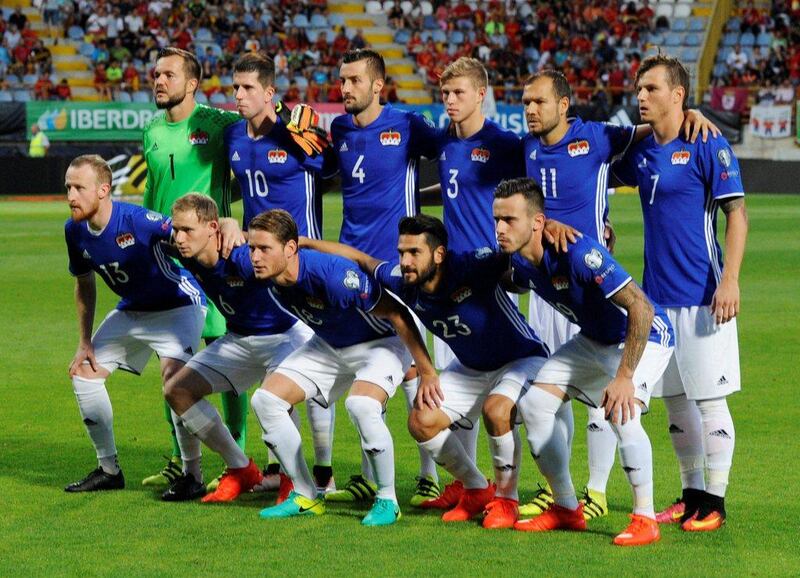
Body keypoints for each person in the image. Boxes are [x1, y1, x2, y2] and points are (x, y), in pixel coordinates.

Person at [519, 69, 719, 520]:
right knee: (547, 392)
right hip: (550, 284)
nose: (530, 109)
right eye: (525, 101)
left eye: (538, 101)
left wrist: (690, 113)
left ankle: (599, 491)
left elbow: (656, 127)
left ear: (564, 104)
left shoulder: (598, 138)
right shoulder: (525, 148)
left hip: (595, 280)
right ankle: (560, 494)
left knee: (608, 402)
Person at [301, 214, 549, 529]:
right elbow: (362, 260)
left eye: (414, 252)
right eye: (401, 252)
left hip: (522, 358)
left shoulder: (471, 265)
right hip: (472, 368)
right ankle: (476, 488)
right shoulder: (403, 279)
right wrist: (307, 243)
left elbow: (515, 256)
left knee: (496, 410)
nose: (404, 261)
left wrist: (547, 232)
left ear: (439, 254)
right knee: (421, 421)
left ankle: (506, 500)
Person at [493, 177, 674, 546]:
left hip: (644, 336)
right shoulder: (519, 260)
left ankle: (644, 517)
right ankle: (565, 507)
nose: (499, 228)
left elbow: (641, 307)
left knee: (620, 412)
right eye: (497, 219)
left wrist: (625, 376)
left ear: (537, 223)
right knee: (534, 405)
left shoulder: (578, 252)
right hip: (593, 340)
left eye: (509, 220)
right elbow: (507, 276)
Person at [611, 54, 748, 532]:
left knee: (709, 401)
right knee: (675, 404)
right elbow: (592, 173)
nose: (640, 96)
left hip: (704, 295)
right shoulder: (641, 154)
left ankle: (716, 501)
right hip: (657, 302)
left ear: (678, 94)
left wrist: (729, 280)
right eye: (638, 89)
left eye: (650, 88)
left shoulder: (708, 143)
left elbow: (737, 215)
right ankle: (691, 495)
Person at [248, 209, 438, 526]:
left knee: (362, 404)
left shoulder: (334, 277)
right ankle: (306, 494)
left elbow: (397, 315)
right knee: (266, 400)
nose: (255, 256)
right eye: (252, 248)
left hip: (381, 342)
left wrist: (427, 370)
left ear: (290, 249)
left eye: (263, 248)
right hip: (329, 343)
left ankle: (387, 500)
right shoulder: (266, 269)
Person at [327, 48, 443, 505]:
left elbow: (451, 148)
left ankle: (430, 470)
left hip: (401, 264)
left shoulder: (408, 125)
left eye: (354, 80)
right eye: (342, 80)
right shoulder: (338, 130)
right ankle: (365, 471)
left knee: (414, 364)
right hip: (352, 264)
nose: (345, 88)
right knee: (363, 361)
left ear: (378, 86)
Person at [224, 52, 337, 494]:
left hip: (302, 264)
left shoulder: (293, 134)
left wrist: (314, 137)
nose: (239, 95)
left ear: (270, 93)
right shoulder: (233, 134)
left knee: (314, 370)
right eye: (235, 88)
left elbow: (329, 169)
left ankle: (323, 472)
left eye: (248, 88)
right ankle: (276, 467)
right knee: (278, 365)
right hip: (260, 266)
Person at [62, 154, 205, 493]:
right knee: (84, 372)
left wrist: (223, 230)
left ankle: (192, 476)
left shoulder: (137, 220)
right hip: (133, 310)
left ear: (103, 190)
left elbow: (183, 233)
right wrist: (85, 341)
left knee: (175, 384)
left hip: (179, 305)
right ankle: (109, 471)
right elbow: (84, 284)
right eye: (67, 187)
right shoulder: (74, 231)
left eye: (78, 188)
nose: (70, 196)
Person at [141, 46, 246, 491]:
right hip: (169, 261)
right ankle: (185, 461)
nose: (159, 81)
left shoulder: (218, 124)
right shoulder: (150, 132)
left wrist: (230, 219)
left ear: (192, 83)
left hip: (213, 262)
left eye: (168, 74)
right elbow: (152, 194)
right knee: (173, 363)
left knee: (229, 355)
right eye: (155, 74)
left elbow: (251, 155)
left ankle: (236, 454)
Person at [161, 194, 310, 502]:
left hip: (285, 336)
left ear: (212, 227)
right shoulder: (185, 248)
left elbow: (289, 262)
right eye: (177, 230)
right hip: (240, 339)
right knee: (177, 390)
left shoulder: (241, 257)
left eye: (187, 230)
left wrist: (236, 230)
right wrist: (230, 223)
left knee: (275, 399)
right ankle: (240, 468)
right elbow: (151, 229)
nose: (180, 237)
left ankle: (292, 481)